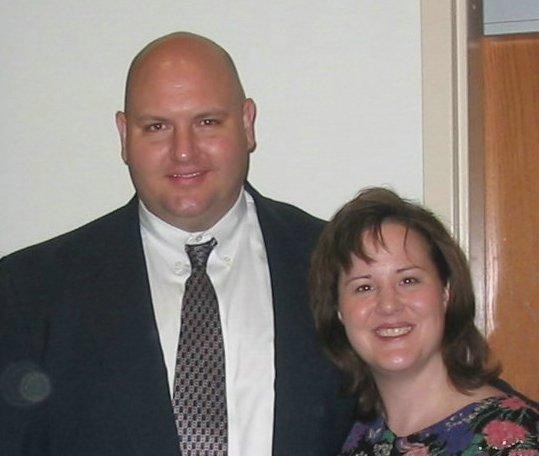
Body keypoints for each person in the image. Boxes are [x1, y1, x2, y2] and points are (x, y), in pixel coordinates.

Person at [0, 32, 355, 455]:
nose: (183, 152)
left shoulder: (345, 268)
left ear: (247, 123)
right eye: (157, 127)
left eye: (207, 122)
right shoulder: (28, 292)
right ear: (124, 135)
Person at [310, 187, 538, 455]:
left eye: (408, 280)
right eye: (364, 287)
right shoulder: (350, 438)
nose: (388, 305)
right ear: (338, 308)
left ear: (446, 293)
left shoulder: (515, 439)